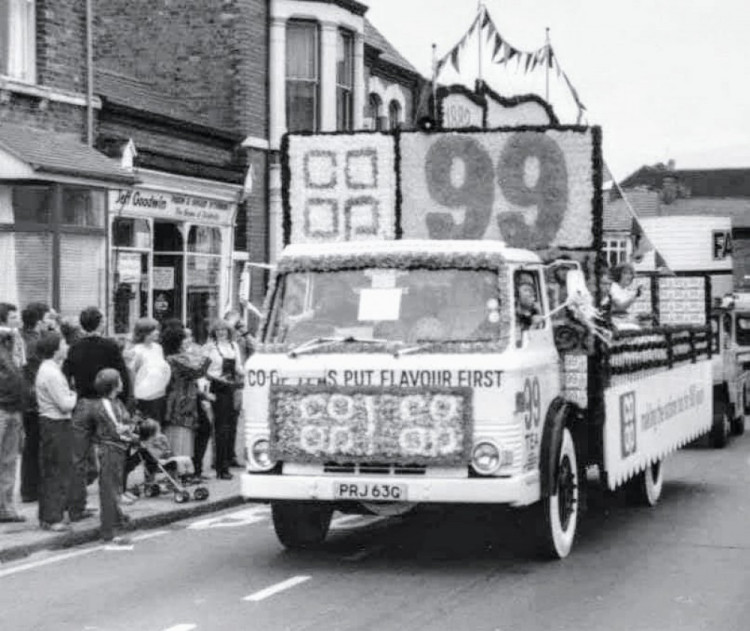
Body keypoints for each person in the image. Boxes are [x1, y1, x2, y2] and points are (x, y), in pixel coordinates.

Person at [65, 307, 131, 522]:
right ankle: (113, 511)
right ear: (100, 323)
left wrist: (71, 396)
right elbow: (123, 374)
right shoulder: (110, 346)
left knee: (78, 459)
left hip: (83, 403)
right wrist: (126, 402)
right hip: (106, 403)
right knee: (110, 458)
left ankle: (76, 508)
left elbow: (65, 374)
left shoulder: (75, 347)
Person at [35, 332, 76, 532]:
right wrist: (74, 395)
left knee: (52, 470)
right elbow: (65, 404)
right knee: (58, 471)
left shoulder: (49, 369)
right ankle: (53, 518)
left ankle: (48, 516)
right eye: (63, 343)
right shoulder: (51, 373)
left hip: (52, 423)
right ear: (55, 349)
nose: (66, 346)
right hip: (56, 424)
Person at [92, 368, 137, 545]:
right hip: (110, 450)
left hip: (118, 449)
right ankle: (108, 532)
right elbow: (117, 428)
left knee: (115, 488)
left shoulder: (117, 402)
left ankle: (117, 520)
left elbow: (126, 423)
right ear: (113, 385)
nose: (123, 383)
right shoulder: (106, 405)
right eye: (120, 380)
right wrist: (132, 436)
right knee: (109, 491)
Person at [162, 324, 210, 461]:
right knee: (181, 435)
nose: (188, 341)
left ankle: (187, 469)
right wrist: (206, 353)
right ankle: (182, 470)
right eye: (185, 338)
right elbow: (198, 371)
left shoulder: (173, 356)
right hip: (181, 400)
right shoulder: (176, 358)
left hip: (183, 398)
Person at [19, 301, 51, 503]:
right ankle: (31, 489)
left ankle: (31, 488)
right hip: (34, 400)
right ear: (39, 321)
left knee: (32, 445)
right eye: (48, 317)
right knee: (34, 445)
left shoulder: (25, 338)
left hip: (30, 398)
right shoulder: (34, 343)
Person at [206, 319, 243, 480]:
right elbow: (203, 370)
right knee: (221, 428)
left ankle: (227, 461)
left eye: (224, 330)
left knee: (230, 427)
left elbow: (239, 368)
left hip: (232, 388)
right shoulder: (209, 347)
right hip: (216, 387)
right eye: (218, 330)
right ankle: (221, 468)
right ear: (213, 332)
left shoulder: (234, 346)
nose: (221, 332)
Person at [0, 328, 26, 523]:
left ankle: (6, 507)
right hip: (4, 409)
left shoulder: (12, 357)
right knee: (7, 461)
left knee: (9, 461)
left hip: (13, 409)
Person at [127, 318, 171, 422]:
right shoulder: (136, 350)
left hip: (160, 394)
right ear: (145, 332)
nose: (158, 332)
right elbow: (132, 374)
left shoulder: (158, 348)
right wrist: (133, 396)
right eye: (154, 330)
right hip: (145, 397)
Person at [609, 263, 642, 330]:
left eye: (630, 274)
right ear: (618, 274)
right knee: (636, 329)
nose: (629, 276)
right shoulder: (613, 287)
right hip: (614, 321)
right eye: (625, 273)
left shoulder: (625, 289)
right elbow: (620, 307)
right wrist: (635, 296)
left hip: (623, 319)